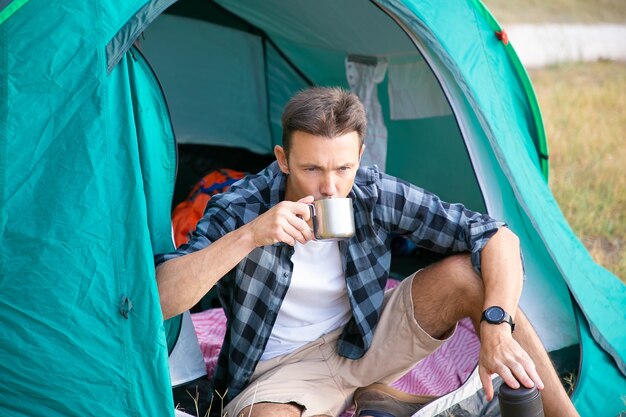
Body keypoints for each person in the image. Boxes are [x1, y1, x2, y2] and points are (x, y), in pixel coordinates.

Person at [155, 87, 579, 417]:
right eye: (311, 169)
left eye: (343, 168)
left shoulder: (371, 192)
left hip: (363, 341)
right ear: (283, 160)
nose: (330, 187)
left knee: (469, 277)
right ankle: (382, 402)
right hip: (280, 370)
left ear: (360, 155)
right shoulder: (241, 206)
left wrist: (495, 325)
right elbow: (163, 298)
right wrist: (251, 235)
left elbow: (497, 235)